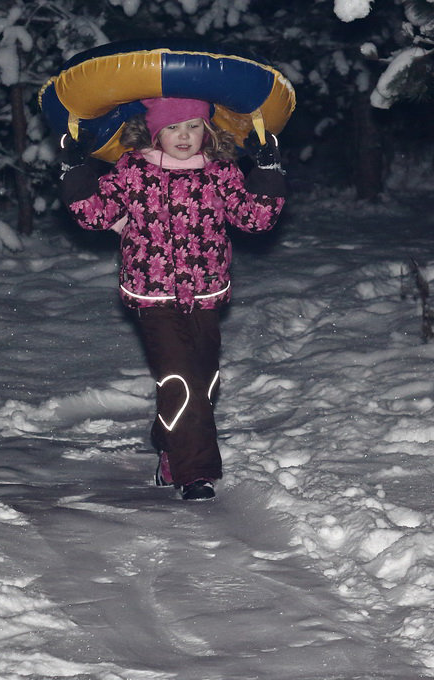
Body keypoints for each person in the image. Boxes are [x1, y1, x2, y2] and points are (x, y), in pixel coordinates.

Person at [59, 97, 287, 501]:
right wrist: (76, 170)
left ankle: (169, 444)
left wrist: (267, 171)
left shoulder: (221, 173)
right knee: (181, 380)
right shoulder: (133, 171)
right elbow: (93, 215)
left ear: (208, 130)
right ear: (154, 131)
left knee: (204, 382)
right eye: (172, 127)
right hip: (152, 293)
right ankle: (194, 473)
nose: (184, 136)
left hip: (206, 292)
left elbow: (256, 218)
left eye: (193, 126)